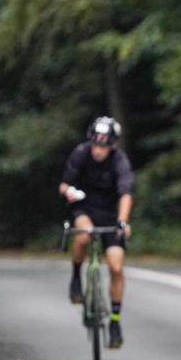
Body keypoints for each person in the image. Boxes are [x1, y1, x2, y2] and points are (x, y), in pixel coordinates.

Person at [59, 116, 134, 348]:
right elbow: (64, 184)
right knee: (84, 234)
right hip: (84, 208)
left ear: (113, 145)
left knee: (116, 267)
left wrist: (123, 220)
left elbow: (126, 193)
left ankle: (115, 321)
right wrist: (69, 192)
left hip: (110, 214)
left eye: (103, 146)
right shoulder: (81, 154)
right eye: (95, 144)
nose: (98, 150)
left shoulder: (119, 161)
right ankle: (76, 278)